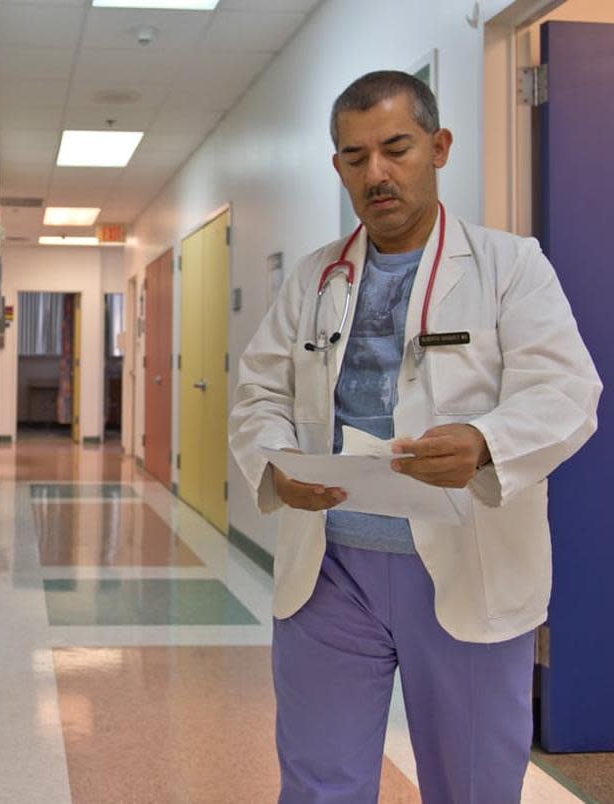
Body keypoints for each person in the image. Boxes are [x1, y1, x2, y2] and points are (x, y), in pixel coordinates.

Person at [228, 71, 601, 802]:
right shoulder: (313, 279)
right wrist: (276, 466)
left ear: (439, 147)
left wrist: (486, 440)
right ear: (337, 166)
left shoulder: (509, 266)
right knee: (318, 782)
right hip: (331, 572)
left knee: (474, 785)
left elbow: (567, 390)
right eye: (355, 157)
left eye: (396, 148)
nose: (377, 174)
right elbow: (259, 394)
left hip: (465, 560)